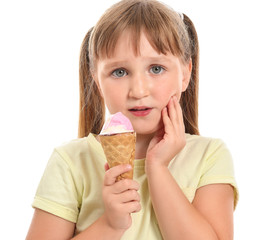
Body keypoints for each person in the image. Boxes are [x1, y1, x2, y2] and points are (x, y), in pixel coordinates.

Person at [26, 0, 238, 239]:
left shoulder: (209, 156)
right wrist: (110, 224)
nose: (138, 90)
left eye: (156, 68)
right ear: (97, 82)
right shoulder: (71, 162)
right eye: (119, 72)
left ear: (186, 74)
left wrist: (157, 169)